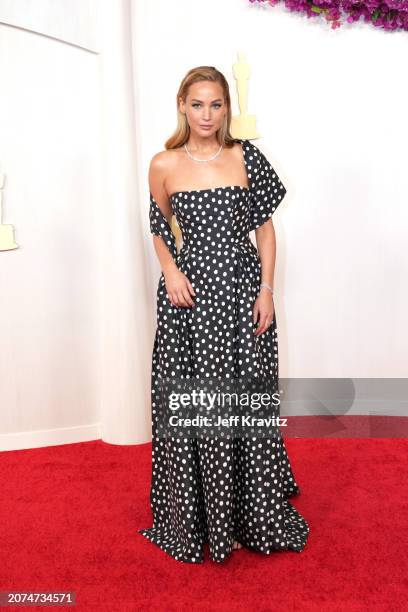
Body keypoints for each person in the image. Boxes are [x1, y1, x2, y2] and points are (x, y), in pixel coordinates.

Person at [138, 66, 309, 563]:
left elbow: (266, 231)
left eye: (216, 105)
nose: (207, 114)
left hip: (240, 293)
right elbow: (157, 226)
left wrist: (268, 289)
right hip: (189, 299)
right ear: (181, 105)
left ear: (226, 108)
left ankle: (247, 513)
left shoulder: (245, 156)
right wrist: (170, 270)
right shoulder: (163, 163)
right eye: (197, 104)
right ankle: (204, 517)